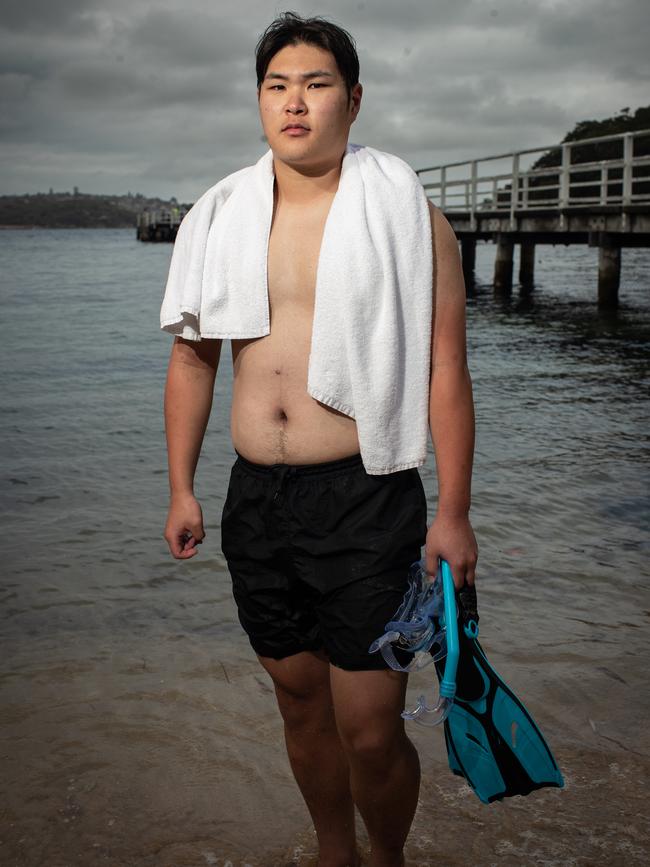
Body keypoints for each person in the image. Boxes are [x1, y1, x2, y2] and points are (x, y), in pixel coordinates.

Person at [161, 12, 477, 867]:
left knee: (371, 727)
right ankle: (334, 851)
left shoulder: (410, 217)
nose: (294, 101)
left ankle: (389, 857)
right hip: (257, 499)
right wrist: (182, 485)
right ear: (259, 100)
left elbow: (446, 368)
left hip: (365, 494)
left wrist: (454, 512)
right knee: (300, 702)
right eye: (277, 85)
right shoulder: (223, 215)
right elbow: (193, 359)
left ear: (354, 98)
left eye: (316, 83)